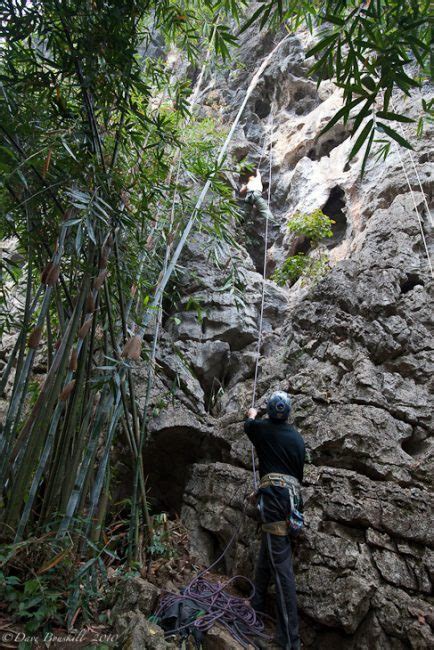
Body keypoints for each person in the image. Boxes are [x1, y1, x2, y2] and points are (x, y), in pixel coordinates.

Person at [244, 391, 305, 650]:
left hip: (274, 498)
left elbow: (249, 425)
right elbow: (298, 475)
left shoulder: (263, 428)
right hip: (291, 501)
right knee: (269, 551)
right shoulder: (298, 439)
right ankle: (256, 604)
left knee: (281, 567)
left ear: (270, 411)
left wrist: (252, 413)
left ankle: (290, 640)